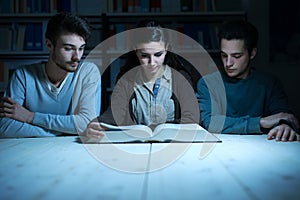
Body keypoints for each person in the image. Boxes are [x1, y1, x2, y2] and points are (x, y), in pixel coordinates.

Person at [85, 19, 199, 139]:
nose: (152, 63)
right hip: (135, 146)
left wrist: (160, 127)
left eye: (158, 55)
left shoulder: (181, 78)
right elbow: (114, 112)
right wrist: (98, 123)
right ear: (135, 50)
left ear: (167, 49)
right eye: (144, 56)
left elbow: (192, 118)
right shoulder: (126, 79)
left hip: (172, 145)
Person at [0, 12, 101, 137]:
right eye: (68, 48)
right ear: (49, 45)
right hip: (30, 152)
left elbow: (86, 123)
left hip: (72, 153)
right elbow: (5, 126)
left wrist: (30, 117)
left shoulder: (88, 72)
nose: (77, 57)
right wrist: (63, 133)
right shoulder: (23, 76)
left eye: (81, 48)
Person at [197, 20, 300, 141]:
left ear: (252, 53)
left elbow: (284, 117)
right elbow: (210, 123)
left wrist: (284, 126)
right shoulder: (207, 83)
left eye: (236, 56)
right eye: (224, 55)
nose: (228, 63)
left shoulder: (269, 83)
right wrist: (260, 122)